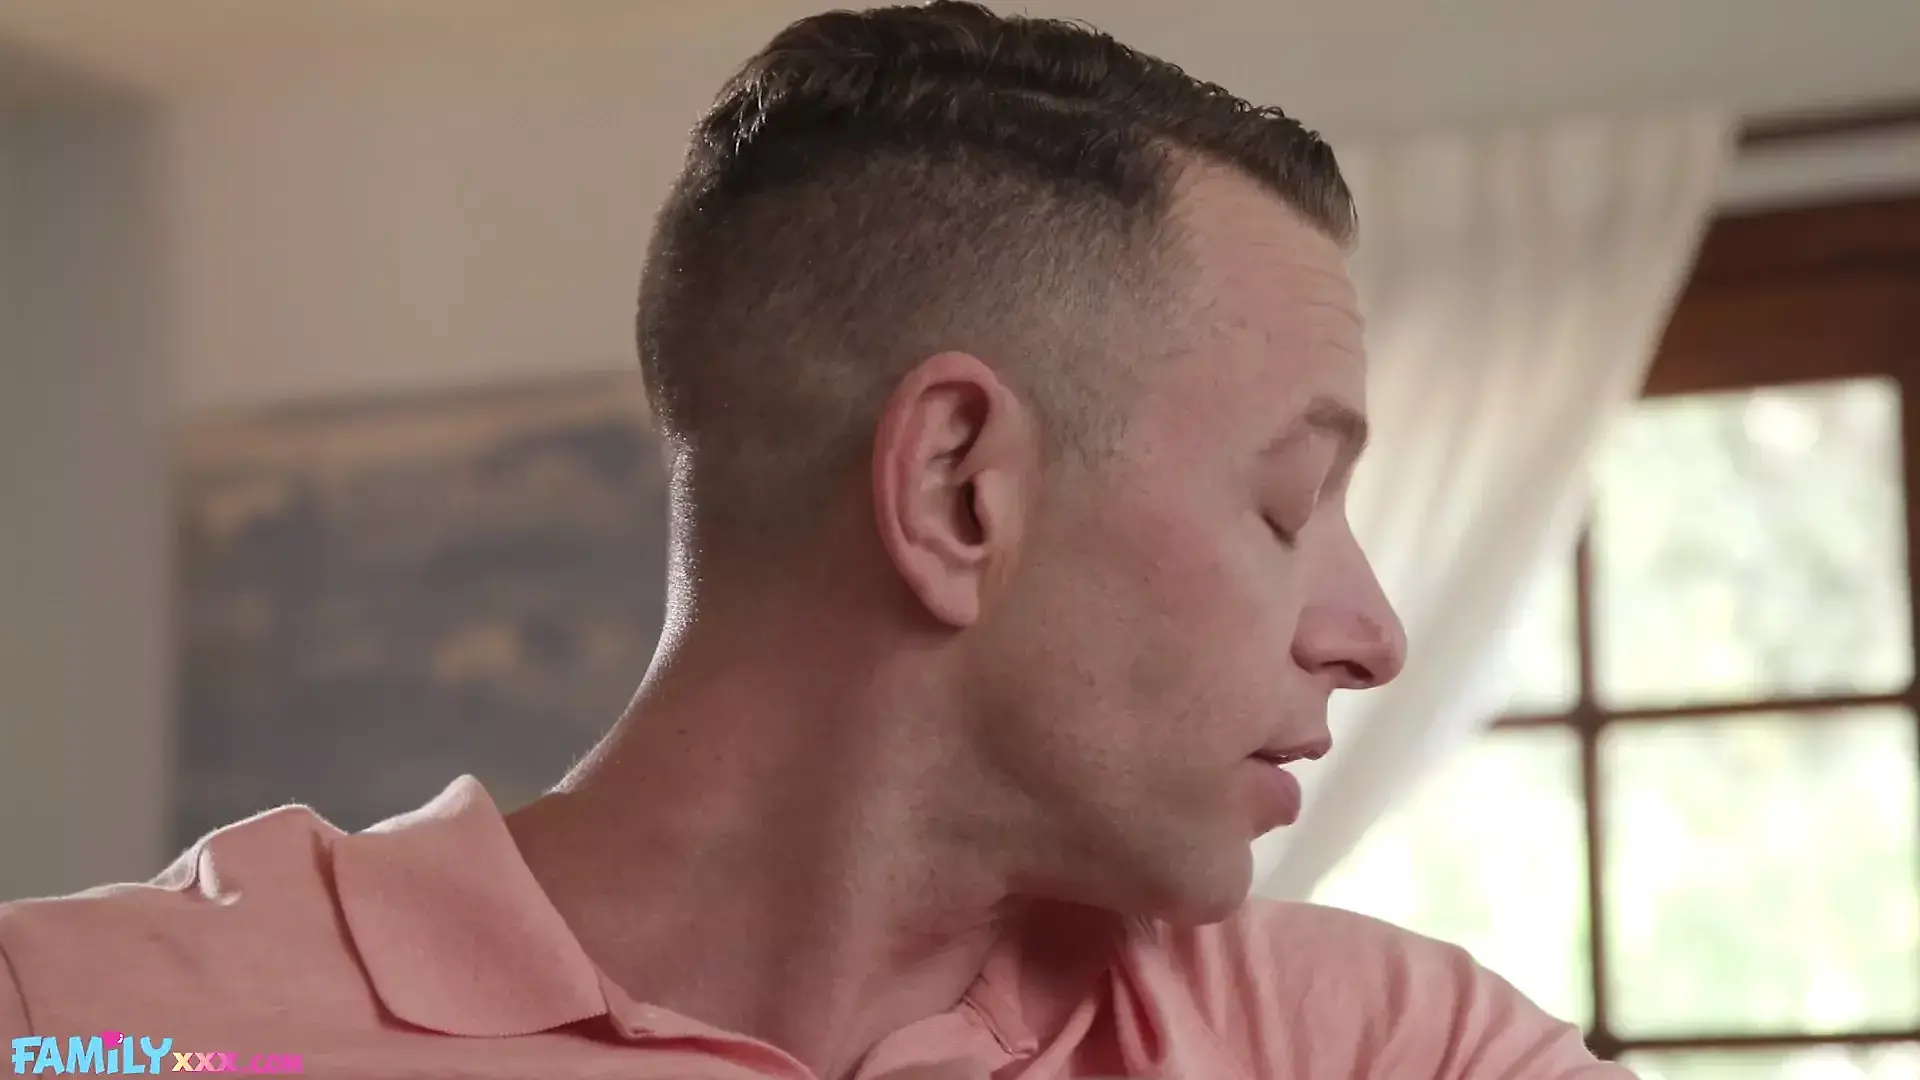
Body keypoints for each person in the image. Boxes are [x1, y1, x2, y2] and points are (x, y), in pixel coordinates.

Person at [0, 3, 1634, 1078]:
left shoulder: (1381, 1050)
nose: (1372, 633)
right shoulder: (84, 1034)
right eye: (1288, 504)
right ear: (958, 490)